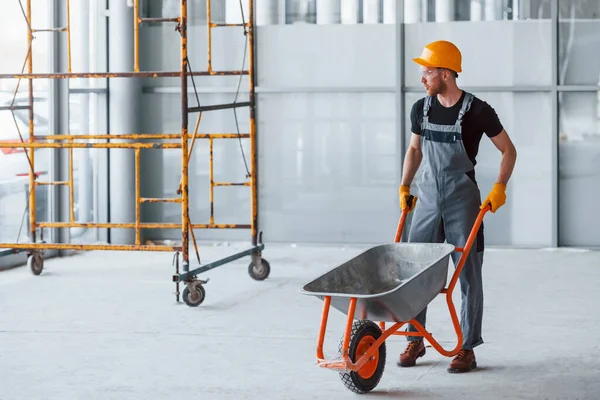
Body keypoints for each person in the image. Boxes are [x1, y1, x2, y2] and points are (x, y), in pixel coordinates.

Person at [397, 40, 517, 373]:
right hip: (427, 199)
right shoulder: (421, 108)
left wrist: (499, 187)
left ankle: (467, 347)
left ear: (446, 74)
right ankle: (414, 338)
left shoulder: (478, 111)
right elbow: (415, 150)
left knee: (468, 274)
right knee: (414, 270)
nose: (422, 78)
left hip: (462, 200)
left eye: (428, 71)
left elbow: (509, 150)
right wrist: (405, 185)